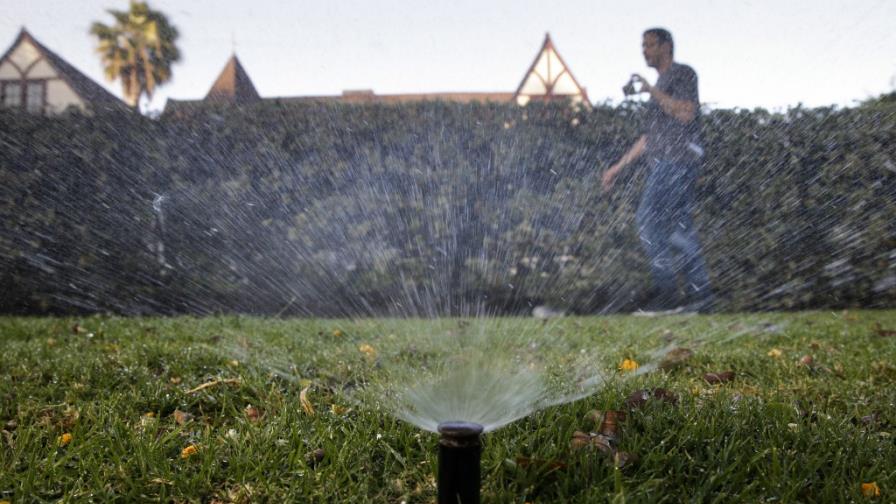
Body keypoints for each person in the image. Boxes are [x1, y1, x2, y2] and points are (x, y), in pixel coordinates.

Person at [601, 27, 713, 313]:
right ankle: (700, 299)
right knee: (679, 230)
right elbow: (649, 138)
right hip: (666, 163)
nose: (644, 51)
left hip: (676, 162)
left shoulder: (683, 74)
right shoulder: (662, 84)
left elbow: (686, 113)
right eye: (643, 45)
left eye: (649, 45)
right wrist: (618, 167)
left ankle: (667, 295)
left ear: (666, 46)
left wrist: (652, 90)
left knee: (649, 223)